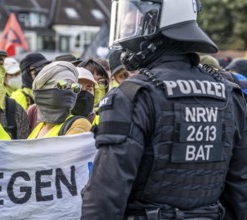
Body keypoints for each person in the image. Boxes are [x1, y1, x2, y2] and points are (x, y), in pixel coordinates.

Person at [81, 0, 247, 219]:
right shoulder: (229, 94)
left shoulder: (133, 96)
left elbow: (106, 196)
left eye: (135, 15)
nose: (128, 22)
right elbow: (240, 192)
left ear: (159, 21)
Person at [28, 61, 92, 139]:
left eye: (74, 87)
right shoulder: (39, 127)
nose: (69, 91)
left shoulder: (80, 124)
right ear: (44, 90)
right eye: (62, 85)